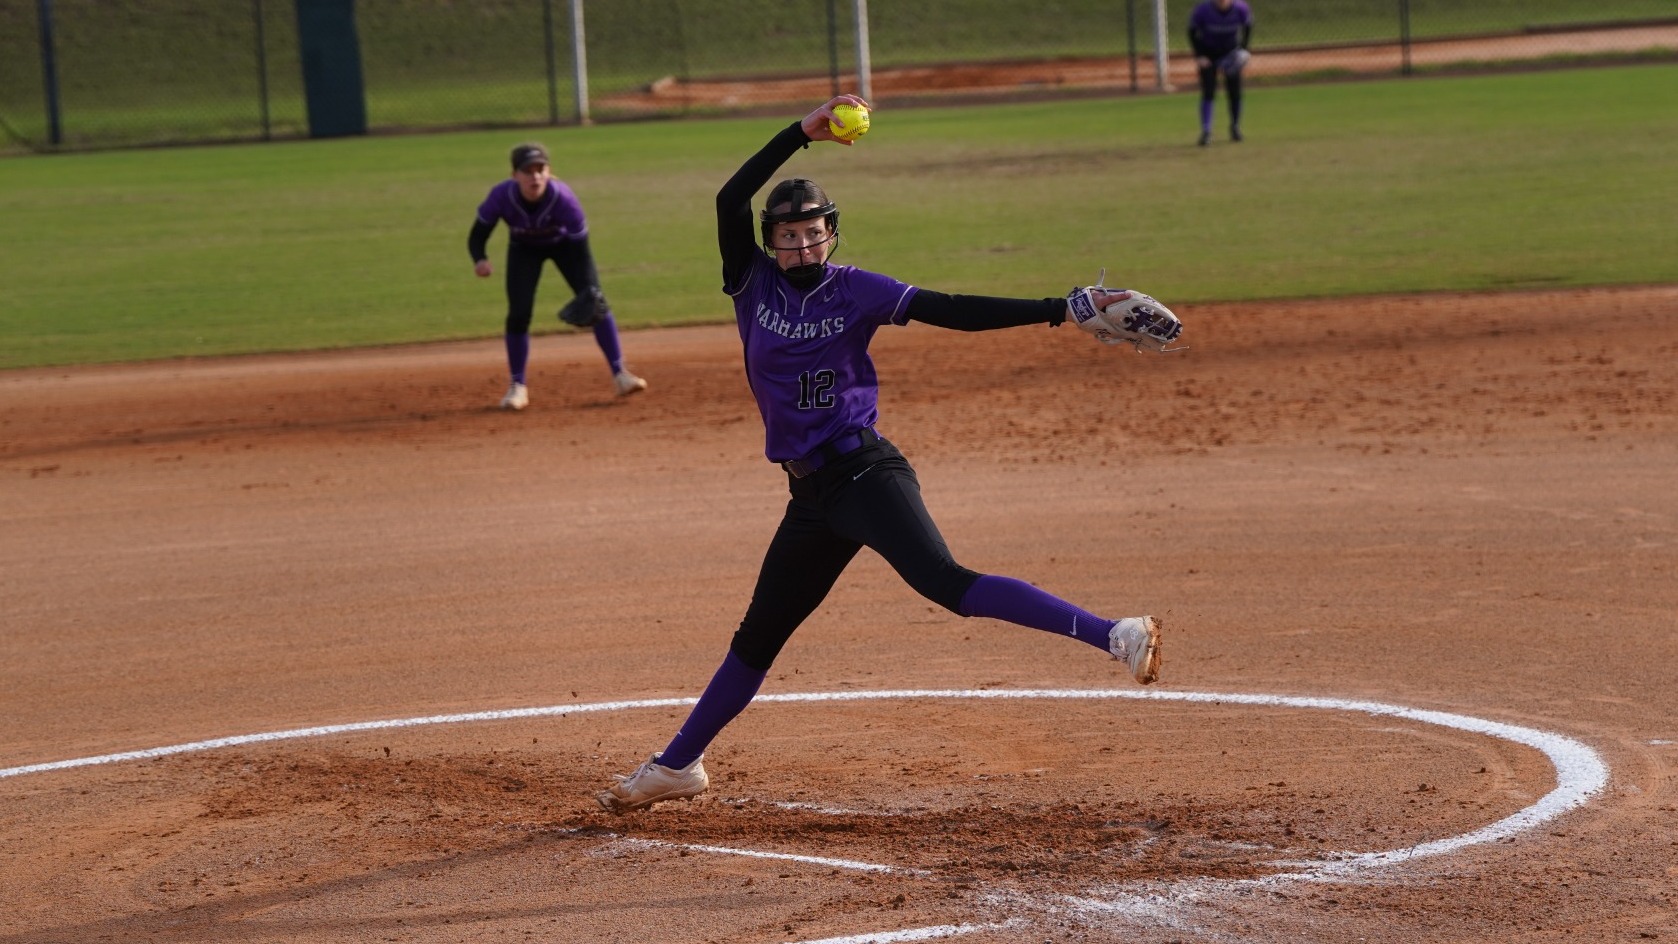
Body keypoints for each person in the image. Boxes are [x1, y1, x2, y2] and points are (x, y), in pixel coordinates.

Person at [596, 96, 1166, 813]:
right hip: (811, 498)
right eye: (788, 236)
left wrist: (1060, 306)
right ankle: (678, 766)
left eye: (813, 234)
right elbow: (729, 195)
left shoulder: (857, 289)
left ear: (831, 234)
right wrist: (801, 134)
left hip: (864, 470)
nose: (802, 247)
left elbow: (951, 308)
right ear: (769, 240)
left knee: (947, 584)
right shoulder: (750, 282)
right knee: (758, 636)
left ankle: (1114, 634)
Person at [468, 142, 646, 410]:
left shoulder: (563, 198)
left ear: (549, 172)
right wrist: (480, 259)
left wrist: (589, 288)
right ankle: (517, 387)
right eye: (528, 171)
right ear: (514, 175)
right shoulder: (501, 196)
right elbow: (477, 235)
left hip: (565, 247)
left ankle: (621, 374)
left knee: (595, 301)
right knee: (519, 312)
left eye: (541, 169)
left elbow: (581, 251)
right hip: (523, 249)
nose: (535, 176)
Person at [1188, 0, 1254, 146]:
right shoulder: (1203, 10)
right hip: (1209, 54)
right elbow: (1192, 32)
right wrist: (1199, 55)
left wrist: (1244, 48)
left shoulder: (1240, 8)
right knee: (1208, 91)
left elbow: (1248, 26)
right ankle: (1206, 132)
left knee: (1234, 91)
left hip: (1230, 53)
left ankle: (1235, 127)